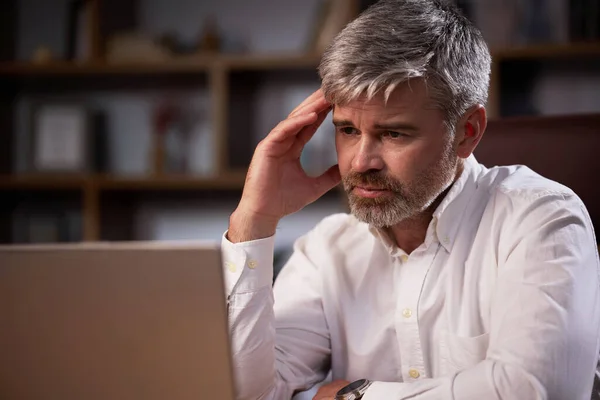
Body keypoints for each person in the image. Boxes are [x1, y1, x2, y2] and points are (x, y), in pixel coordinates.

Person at [221, 0, 600, 399]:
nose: (361, 161)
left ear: (467, 131)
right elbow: (246, 394)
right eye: (347, 130)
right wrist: (255, 218)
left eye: (393, 134)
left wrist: (354, 397)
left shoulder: (542, 220)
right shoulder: (325, 250)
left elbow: (534, 391)